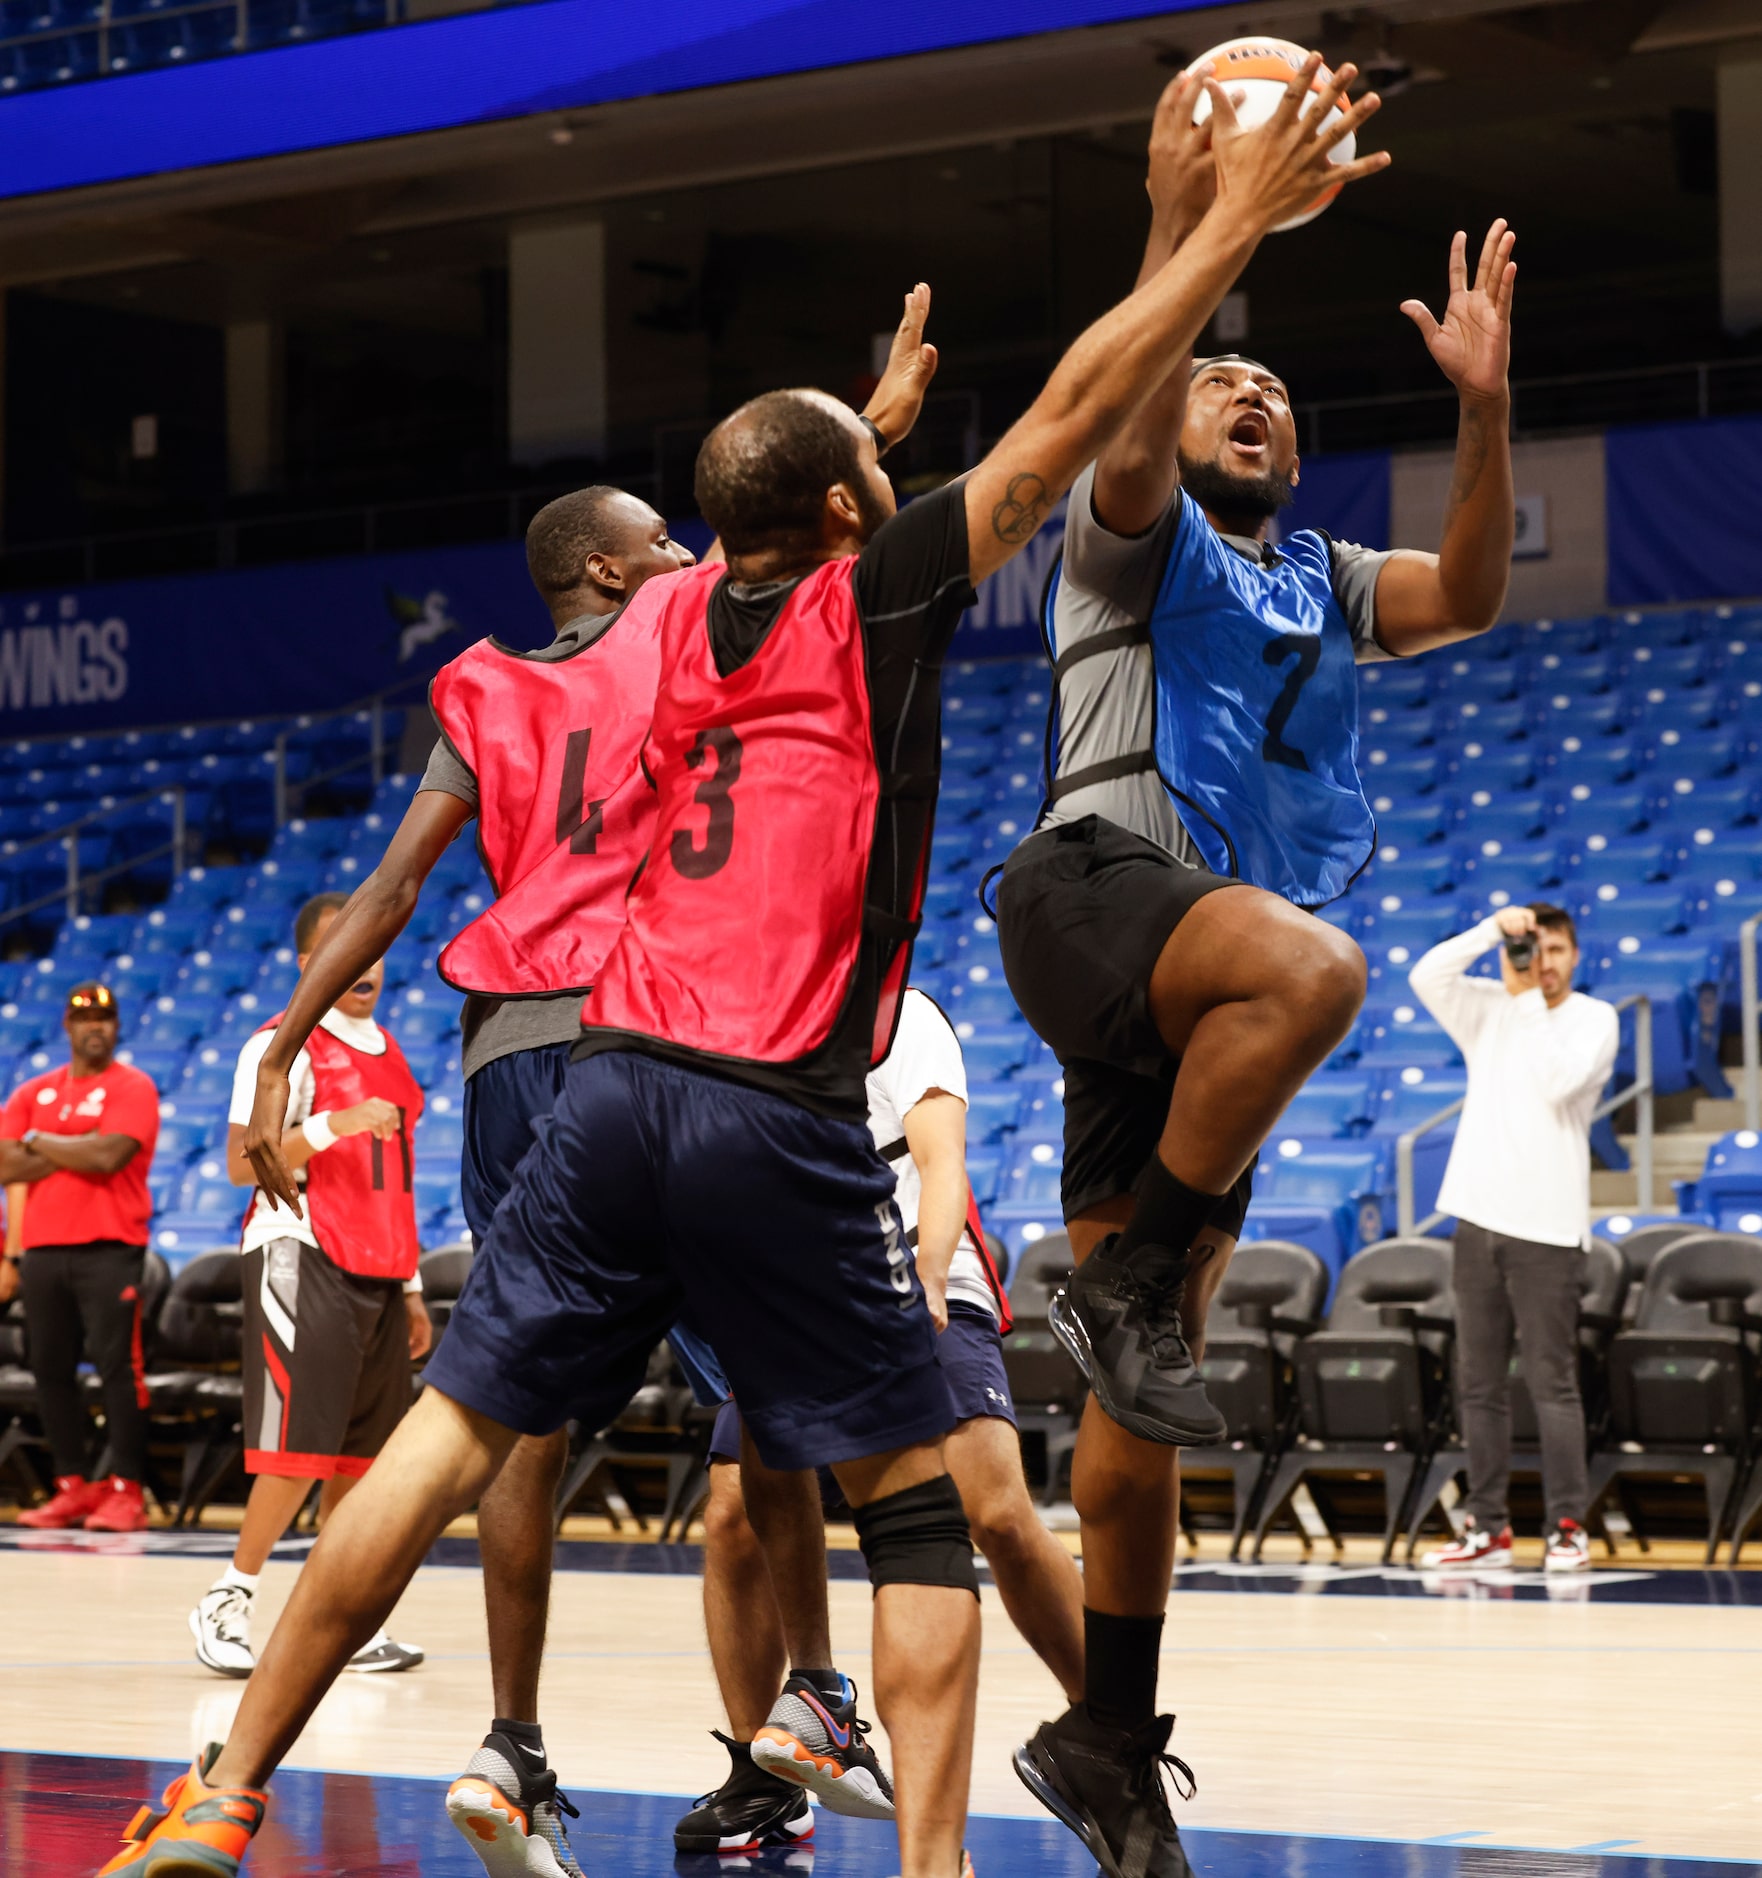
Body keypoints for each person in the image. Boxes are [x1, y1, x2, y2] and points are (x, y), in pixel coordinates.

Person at [95, 61, 1384, 1878]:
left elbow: (755, 510)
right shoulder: (880, 592)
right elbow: (1088, 396)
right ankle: (933, 1863)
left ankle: (220, 1789)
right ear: (861, 517)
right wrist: (1217, 220)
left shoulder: (658, 618)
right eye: (876, 472)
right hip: (768, 1106)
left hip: (601, 1086)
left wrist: (843, 429)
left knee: (445, 1447)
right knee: (922, 1516)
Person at [212, 302, 940, 1878]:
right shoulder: (684, 627)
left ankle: (514, 1741)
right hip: (654, 1034)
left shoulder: (477, 685)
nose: (685, 547)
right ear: (617, 570)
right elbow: (809, 556)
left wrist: (278, 1037)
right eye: (658, 539)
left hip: (502, 1059)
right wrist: (861, 445)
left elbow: (394, 892)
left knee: (507, 1430)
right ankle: (809, 1699)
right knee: (778, 1394)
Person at [995, 59, 1520, 1878]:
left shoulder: (1317, 567)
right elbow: (1121, 423)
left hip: (1176, 976)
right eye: (1225, 372)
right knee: (1320, 973)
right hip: (1089, 886)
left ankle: (1107, 1734)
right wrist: (1173, 231)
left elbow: (1466, 591)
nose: (1250, 393)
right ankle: (1129, 1282)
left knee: (1140, 1417)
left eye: (1274, 389)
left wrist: (1484, 409)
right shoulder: (1127, 547)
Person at [675, 986, 1085, 1855]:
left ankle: (1109, 1728)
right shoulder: (746, 1014)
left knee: (995, 1512)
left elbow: (942, 1162)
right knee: (730, 1514)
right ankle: (769, 1775)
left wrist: (930, 1273)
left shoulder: (902, 1013)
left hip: (917, 1269)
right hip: (795, 1292)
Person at [187, 893, 430, 1678]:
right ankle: (229, 1596)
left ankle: (342, 1621)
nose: (365, 959)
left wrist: (416, 1284)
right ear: (308, 964)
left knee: (363, 1462)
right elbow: (237, 1165)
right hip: (302, 1250)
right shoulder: (276, 1046)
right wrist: (334, 1124)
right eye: (344, 945)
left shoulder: (390, 1048)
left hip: (382, 1267)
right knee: (296, 1453)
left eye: (375, 942)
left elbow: (396, 1176)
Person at [1410, 904, 1617, 1575]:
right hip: (1477, 1217)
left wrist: (1525, 998)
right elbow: (1425, 974)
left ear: (1575, 956)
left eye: (1556, 950)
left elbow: (1559, 1082)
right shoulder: (1489, 1006)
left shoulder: (1594, 1019)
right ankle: (1488, 1529)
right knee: (1478, 1386)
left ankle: (1565, 1528)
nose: (1545, 962)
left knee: (1552, 1384)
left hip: (1549, 1229)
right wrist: (1489, 933)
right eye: (1535, 949)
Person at [0, 983, 159, 1534]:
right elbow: (5, 1166)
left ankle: (127, 1489)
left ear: (117, 1027)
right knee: (49, 1369)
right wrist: (76, 1145)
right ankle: (73, 1485)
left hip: (110, 1248)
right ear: (67, 1026)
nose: (97, 1027)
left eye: (108, 1018)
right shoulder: (33, 1092)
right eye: (86, 1018)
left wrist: (40, 1143)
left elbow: (111, 1155)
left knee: (118, 1370)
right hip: (43, 1252)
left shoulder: (133, 1086)